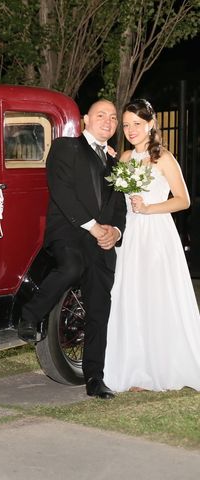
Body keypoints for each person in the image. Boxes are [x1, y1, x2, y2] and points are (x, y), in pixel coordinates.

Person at [18, 99, 127, 399]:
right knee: (71, 266)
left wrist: (115, 232)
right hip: (68, 231)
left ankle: (94, 378)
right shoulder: (65, 148)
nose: (108, 121)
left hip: (103, 241)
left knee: (99, 309)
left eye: (113, 118)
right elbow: (62, 192)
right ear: (85, 121)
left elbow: (119, 207)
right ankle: (29, 315)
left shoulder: (116, 164)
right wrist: (93, 227)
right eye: (101, 115)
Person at [104, 99, 200, 392]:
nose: (131, 129)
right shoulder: (124, 158)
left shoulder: (164, 158)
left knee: (157, 297)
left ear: (150, 124)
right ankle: (136, 367)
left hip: (157, 234)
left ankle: (161, 364)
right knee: (131, 296)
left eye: (137, 123)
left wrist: (149, 207)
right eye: (127, 124)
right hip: (131, 236)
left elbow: (183, 200)